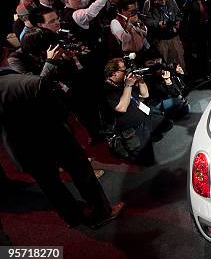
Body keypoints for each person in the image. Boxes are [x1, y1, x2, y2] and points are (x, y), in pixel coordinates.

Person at [0, 66, 124, 228]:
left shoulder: (22, 83)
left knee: (50, 186)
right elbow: (60, 112)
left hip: (22, 150)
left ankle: (72, 218)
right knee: (82, 174)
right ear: (3, 52)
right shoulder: (32, 83)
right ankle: (102, 212)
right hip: (55, 140)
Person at [103, 58, 171, 164]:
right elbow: (121, 108)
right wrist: (128, 85)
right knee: (147, 161)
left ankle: (149, 135)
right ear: (114, 73)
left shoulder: (122, 83)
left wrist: (140, 81)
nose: (127, 72)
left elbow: (145, 95)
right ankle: (127, 146)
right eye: (124, 70)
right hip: (131, 129)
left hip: (145, 117)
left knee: (167, 124)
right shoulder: (107, 89)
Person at [143, 0, 185, 70]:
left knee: (179, 60)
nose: (163, 1)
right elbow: (146, 20)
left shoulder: (171, 1)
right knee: (165, 63)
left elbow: (179, 15)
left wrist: (177, 22)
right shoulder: (148, 4)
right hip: (160, 39)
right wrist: (157, 24)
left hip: (174, 36)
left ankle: (182, 78)